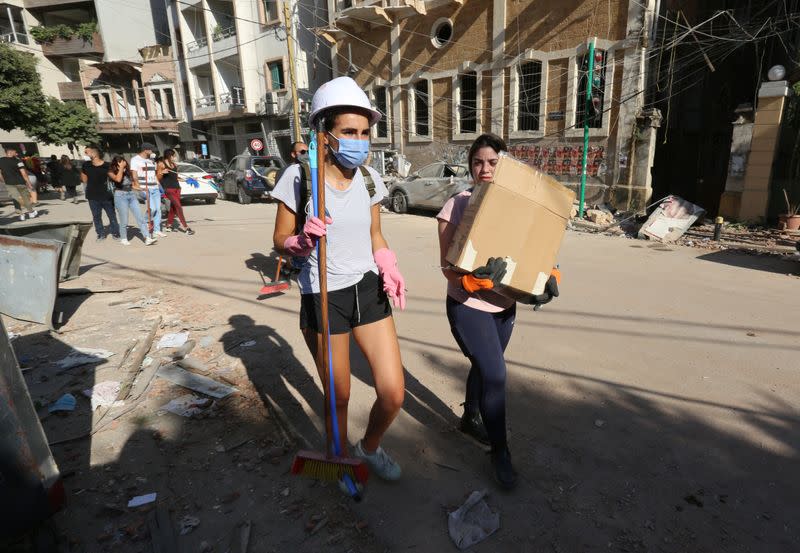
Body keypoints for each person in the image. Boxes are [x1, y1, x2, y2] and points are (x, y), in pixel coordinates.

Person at [272, 76, 407, 484]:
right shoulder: (300, 178)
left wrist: (387, 262)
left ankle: (368, 447)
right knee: (341, 394)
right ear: (324, 133)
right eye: (349, 131)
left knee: (393, 392)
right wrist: (299, 241)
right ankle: (337, 458)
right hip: (323, 293)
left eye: (365, 132)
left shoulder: (369, 178)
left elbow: (375, 233)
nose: (359, 141)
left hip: (366, 287)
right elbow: (279, 240)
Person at [436, 133, 560, 490]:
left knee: (484, 367)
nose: (485, 169)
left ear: (504, 164)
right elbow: (446, 266)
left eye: (493, 162)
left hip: (505, 306)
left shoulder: (519, 204)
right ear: (471, 166)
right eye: (478, 162)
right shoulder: (457, 205)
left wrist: (548, 275)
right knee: (496, 375)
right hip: (468, 306)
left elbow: (537, 248)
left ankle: (469, 416)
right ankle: (500, 452)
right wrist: (467, 281)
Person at [108, 155, 156, 246]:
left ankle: (147, 237)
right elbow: (118, 180)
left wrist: (141, 188)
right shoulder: (111, 172)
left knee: (140, 217)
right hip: (120, 196)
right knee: (124, 219)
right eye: (120, 164)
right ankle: (123, 238)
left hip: (131, 195)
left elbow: (131, 185)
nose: (123, 165)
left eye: (123, 163)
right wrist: (121, 168)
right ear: (116, 164)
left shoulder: (127, 171)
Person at [81, 145, 119, 241]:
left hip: (106, 195)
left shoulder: (107, 165)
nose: (85, 154)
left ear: (94, 153)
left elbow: (115, 178)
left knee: (111, 215)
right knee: (96, 216)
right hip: (92, 195)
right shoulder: (85, 165)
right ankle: (101, 234)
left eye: (86, 152)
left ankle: (115, 232)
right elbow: (84, 179)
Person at [130, 142, 166, 238]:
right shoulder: (135, 160)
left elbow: (153, 174)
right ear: (145, 150)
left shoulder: (151, 160)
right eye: (151, 149)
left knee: (158, 209)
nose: (152, 151)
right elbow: (134, 175)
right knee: (152, 208)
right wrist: (139, 187)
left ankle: (157, 230)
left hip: (155, 187)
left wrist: (159, 184)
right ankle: (146, 221)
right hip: (145, 187)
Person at [157, 148, 194, 235]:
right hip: (168, 189)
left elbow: (176, 177)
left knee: (174, 207)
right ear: (169, 156)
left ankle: (168, 225)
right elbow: (158, 178)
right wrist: (162, 172)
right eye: (173, 156)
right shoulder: (161, 164)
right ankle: (186, 228)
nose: (175, 157)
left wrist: (188, 180)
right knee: (179, 207)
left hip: (177, 188)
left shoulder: (174, 165)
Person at [0, 146, 38, 221]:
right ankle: (31, 212)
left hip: (9, 183)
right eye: (15, 152)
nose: (16, 153)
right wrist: (29, 183)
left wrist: (4, 181)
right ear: (10, 152)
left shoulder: (1, 160)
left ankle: (21, 215)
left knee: (15, 198)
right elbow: (23, 173)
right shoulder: (18, 161)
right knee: (25, 198)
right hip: (20, 182)